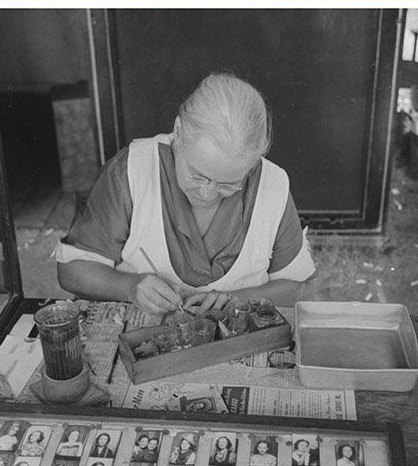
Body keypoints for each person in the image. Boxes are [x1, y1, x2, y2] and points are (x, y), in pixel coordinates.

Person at [57, 73, 316, 315]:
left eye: (228, 183)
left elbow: (298, 288)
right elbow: (71, 271)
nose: (208, 192)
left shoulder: (273, 184)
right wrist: (129, 286)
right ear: (178, 133)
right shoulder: (132, 171)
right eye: (196, 174)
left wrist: (238, 299)